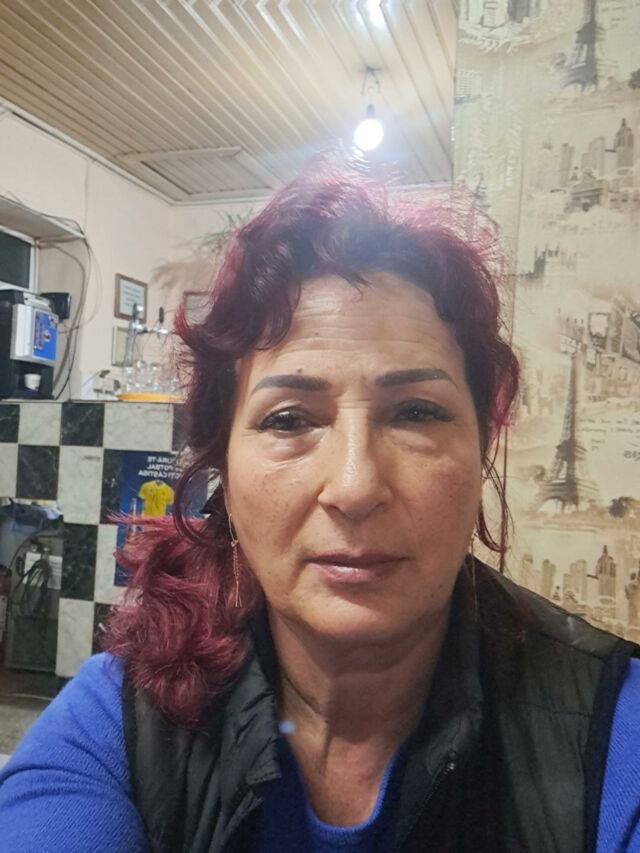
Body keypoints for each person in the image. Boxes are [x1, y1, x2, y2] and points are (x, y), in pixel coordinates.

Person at [0, 166, 639, 852]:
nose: (355, 485)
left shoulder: (608, 732)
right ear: (224, 467)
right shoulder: (122, 722)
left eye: (416, 412)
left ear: (485, 445)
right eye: (288, 419)